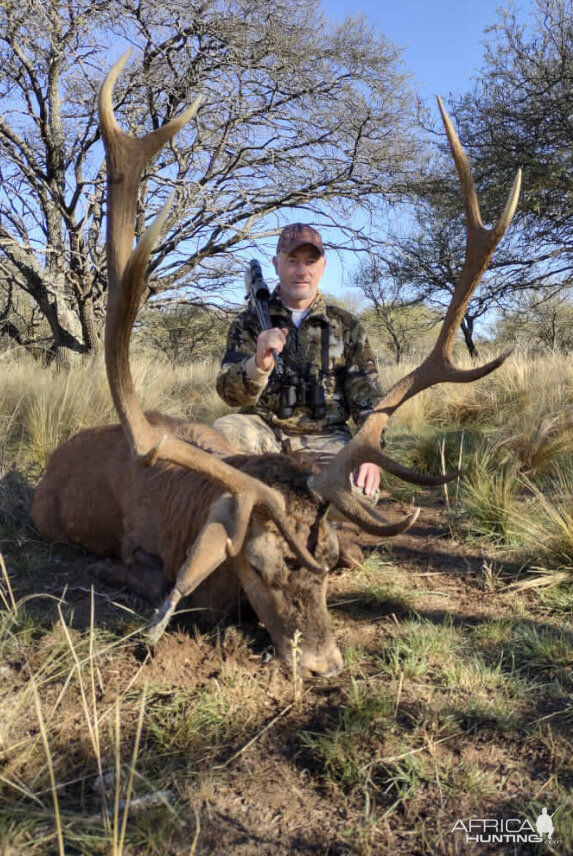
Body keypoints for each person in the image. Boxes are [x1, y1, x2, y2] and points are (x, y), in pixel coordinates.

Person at [214, 223, 382, 497]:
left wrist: (369, 451)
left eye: (310, 261)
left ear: (323, 266)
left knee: (360, 491)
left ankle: (270, 496)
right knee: (223, 436)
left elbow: (368, 400)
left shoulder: (347, 325)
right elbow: (230, 396)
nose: (302, 271)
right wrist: (258, 364)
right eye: (292, 261)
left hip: (326, 436)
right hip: (263, 431)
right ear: (276, 264)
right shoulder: (248, 322)